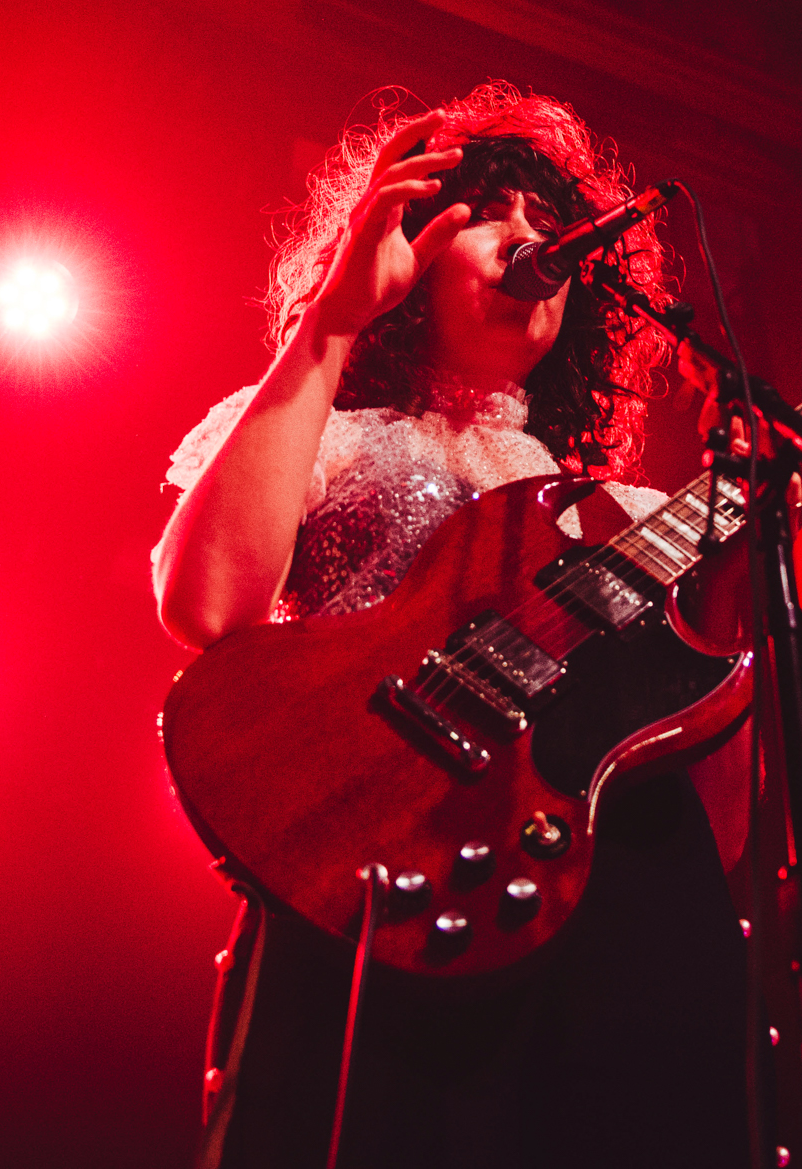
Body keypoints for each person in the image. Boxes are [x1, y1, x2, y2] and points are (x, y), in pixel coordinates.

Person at [153, 83, 750, 1169]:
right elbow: (206, 605)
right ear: (412, 247)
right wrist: (333, 321)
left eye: (548, 223)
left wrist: (745, 549)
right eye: (489, 212)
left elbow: (714, 814)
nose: (527, 240)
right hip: (368, 892)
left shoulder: (618, 514)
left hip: (575, 927)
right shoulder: (330, 428)